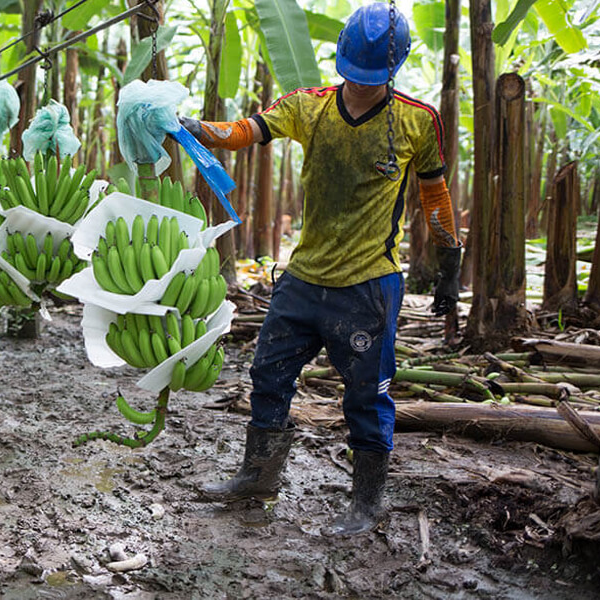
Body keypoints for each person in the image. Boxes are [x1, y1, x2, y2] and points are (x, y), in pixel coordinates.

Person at [180, 1, 461, 536]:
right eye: (350, 75)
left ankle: (367, 501)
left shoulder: (416, 122)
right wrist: (193, 126)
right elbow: (245, 131)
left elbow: (435, 194)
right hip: (303, 280)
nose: (357, 86)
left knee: (366, 394)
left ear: (392, 71)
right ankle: (258, 477)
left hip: (368, 286)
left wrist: (450, 265)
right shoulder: (308, 107)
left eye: (369, 78)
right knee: (268, 375)